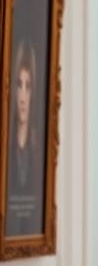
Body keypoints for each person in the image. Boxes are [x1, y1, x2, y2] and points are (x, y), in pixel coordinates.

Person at [6, 38, 43, 235]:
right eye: (19, 85)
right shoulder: (6, 149)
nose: (22, 96)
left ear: (33, 93)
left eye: (28, 86)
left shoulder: (37, 150)